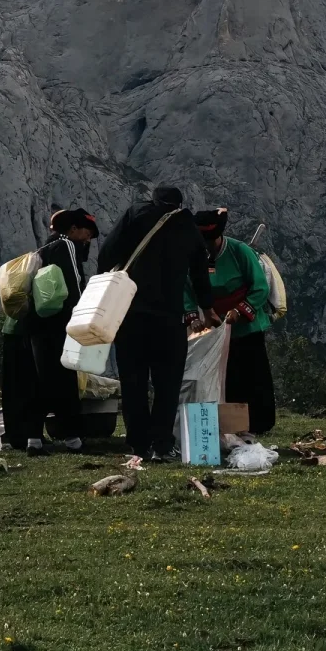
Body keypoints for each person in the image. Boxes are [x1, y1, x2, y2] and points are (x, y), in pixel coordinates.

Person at [98, 184, 215, 463]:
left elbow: (106, 255)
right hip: (168, 318)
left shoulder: (135, 215)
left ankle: (138, 445)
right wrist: (207, 309)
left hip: (131, 315)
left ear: (154, 199)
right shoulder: (187, 226)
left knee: (133, 381)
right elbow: (200, 274)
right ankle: (162, 444)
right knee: (167, 384)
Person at [187, 208, 276, 435]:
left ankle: (259, 424)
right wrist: (193, 316)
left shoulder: (239, 251)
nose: (206, 245)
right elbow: (186, 289)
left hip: (246, 326)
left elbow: (260, 286)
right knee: (226, 378)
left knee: (253, 376)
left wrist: (239, 310)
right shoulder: (193, 255)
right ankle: (230, 425)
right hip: (214, 328)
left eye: (209, 240)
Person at [23, 207, 99, 455]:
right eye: (88, 232)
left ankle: (34, 439)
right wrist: (83, 315)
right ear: (74, 229)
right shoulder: (66, 245)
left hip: (37, 325)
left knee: (40, 380)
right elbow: (76, 285)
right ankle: (73, 439)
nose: (88, 239)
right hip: (59, 324)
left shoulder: (41, 250)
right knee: (66, 378)